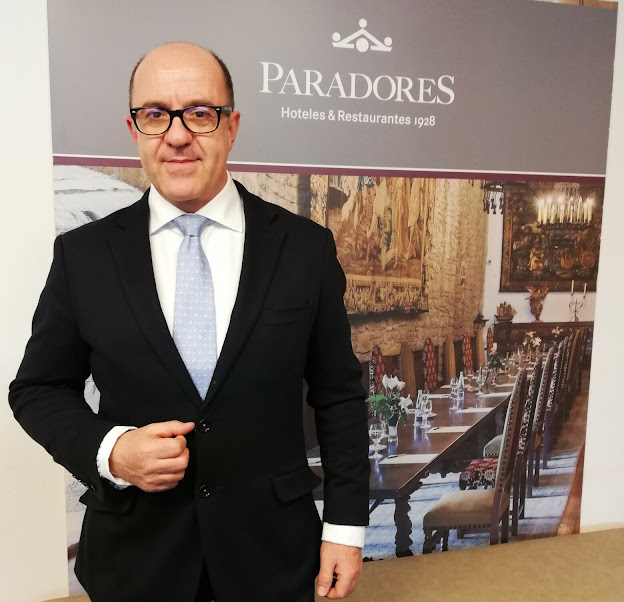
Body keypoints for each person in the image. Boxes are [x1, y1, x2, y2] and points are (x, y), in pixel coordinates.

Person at [9, 42, 369, 602]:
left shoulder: (304, 249)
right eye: (156, 114)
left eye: (200, 113)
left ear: (232, 127)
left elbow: (340, 396)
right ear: (134, 129)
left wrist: (345, 528)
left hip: (273, 556)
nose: (177, 136)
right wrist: (111, 450)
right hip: (135, 559)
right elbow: (38, 389)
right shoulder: (84, 256)